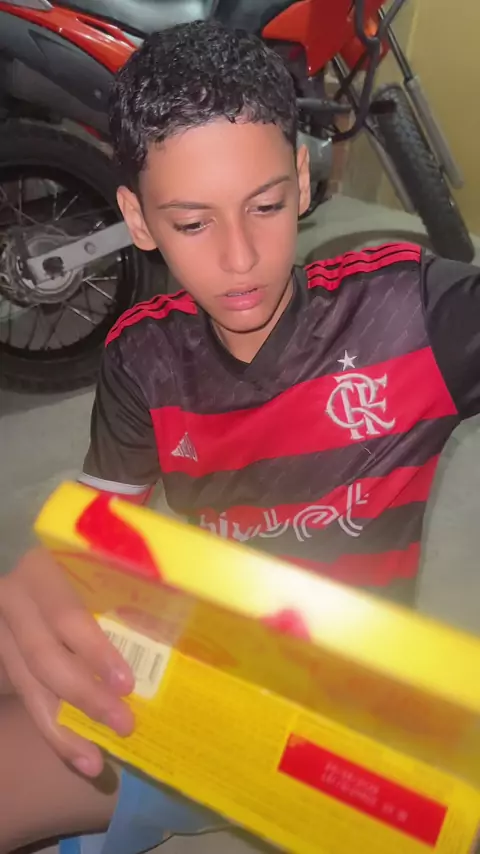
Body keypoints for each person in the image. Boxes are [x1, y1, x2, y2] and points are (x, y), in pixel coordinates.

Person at [0, 18, 479, 854]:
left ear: (301, 180)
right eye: (192, 224)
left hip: (345, 715)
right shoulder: (143, 356)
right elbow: (104, 527)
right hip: (195, 658)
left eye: (265, 205)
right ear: (136, 219)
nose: (240, 258)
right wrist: (60, 554)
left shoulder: (413, 315)